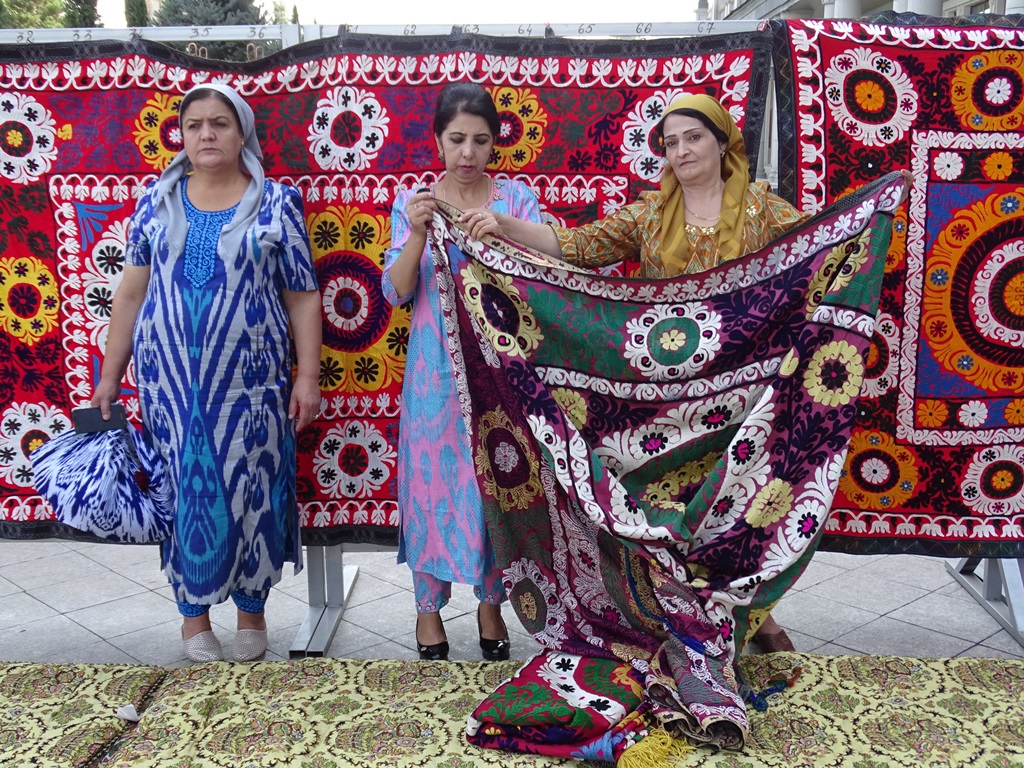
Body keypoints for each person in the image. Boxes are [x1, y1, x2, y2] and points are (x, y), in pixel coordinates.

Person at [464, 93, 811, 652]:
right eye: (670, 143)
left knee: (736, 507)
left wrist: (875, 211)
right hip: (665, 399)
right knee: (676, 509)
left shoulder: (764, 210)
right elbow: (575, 246)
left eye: (692, 138)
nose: (680, 151)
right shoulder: (651, 212)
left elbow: (821, 250)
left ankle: (755, 616)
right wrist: (500, 225)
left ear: (721, 142)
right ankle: (681, 618)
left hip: (743, 393)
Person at [90, 84, 322, 663]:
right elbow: (131, 295)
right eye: (194, 126)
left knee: (254, 493)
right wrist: (109, 377)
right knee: (184, 495)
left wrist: (307, 377)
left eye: (219, 124)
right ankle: (194, 621)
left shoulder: (274, 203)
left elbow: (302, 297)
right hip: (170, 387)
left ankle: (252, 612)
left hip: (252, 386)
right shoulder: (156, 202)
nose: (206, 135)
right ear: (182, 135)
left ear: (241, 133)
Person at [383, 82, 543, 661]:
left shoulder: (516, 202)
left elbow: (546, 277)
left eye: (480, 140)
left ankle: (490, 605)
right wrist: (419, 233)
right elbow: (396, 292)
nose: (468, 152)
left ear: (496, 143)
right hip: (434, 379)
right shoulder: (415, 204)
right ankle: (428, 613)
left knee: (492, 487)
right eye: (457, 139)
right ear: (437, 140)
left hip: (500, 376)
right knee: (431, 490)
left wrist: (504, 236)